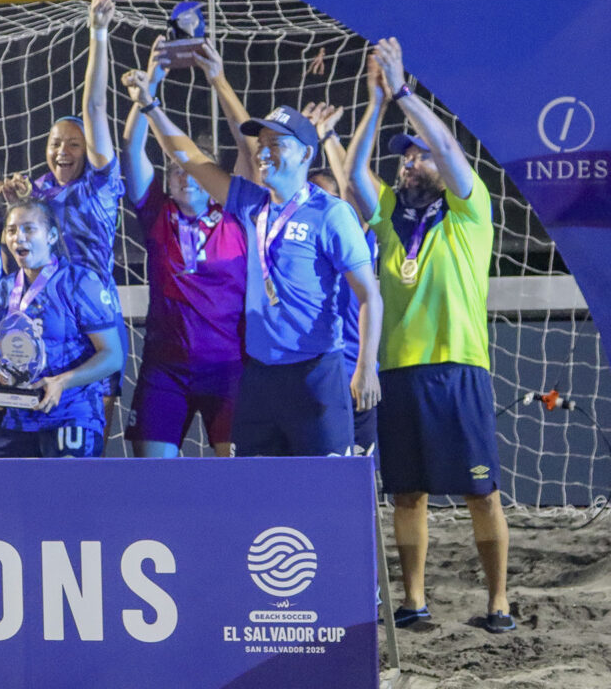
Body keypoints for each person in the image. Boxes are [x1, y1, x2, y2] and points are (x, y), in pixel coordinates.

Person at [345, 38, 513, 633]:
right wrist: (373, 104)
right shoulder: (388, 213)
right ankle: (414, 600)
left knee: (480, 492)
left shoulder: (471, 208)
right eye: (404, 156)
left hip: (458, 366)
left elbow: (443, 141)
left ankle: (498, 601)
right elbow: (352, 175)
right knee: (407, 493)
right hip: (397, 369)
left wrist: (405, 96)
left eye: (416, 155)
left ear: (445, 167)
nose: (408, 161)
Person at [135, 86, 381, 458]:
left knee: (327, 496)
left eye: (276, 144)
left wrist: (365, 366)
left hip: (316, 374)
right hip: (260, 376)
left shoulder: (331, 214)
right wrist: (151, 107)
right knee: (259, 496)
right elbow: (190, 159)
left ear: (306, 153)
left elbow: (368, 295)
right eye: (261, 143)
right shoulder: (250, 202)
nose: (264, 153)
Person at [4, 0, 127, 430]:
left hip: (92, 319)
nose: (62, 151)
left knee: (90, 432)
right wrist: (12, 204)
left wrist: (97, 32)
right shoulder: (37, 192)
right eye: (56, 142)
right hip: (44, 320)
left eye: (73, 144)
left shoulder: (99, 183)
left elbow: (94, 108)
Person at [120, 38, 249, 459]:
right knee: (154, 485)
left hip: (228, 369)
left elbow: (248, 147)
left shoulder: (237, 214)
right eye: (175, 169)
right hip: (164, 368)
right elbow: (130, 148)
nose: (184, 175)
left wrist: (219, 79)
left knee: (237, 480)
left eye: (195, 168)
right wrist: (150, 86)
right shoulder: (156, 211)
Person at [0, 200, 123, 457]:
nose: (18, 237)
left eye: (28, 229)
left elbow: (112, 356)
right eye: (12, 230)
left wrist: (61, 382)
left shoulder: (80, 282)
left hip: (71, 415)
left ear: (51, 236)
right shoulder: (3, 289)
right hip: (18, 419)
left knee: (65, 496)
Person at [302, 102, 381, 457]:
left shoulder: (352, 232)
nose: (320, 205)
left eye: (327, 198)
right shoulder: (295, 237)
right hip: (309, 373)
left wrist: (328, 137)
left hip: (353, 372)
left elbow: (352, 189)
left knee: (359, 482)